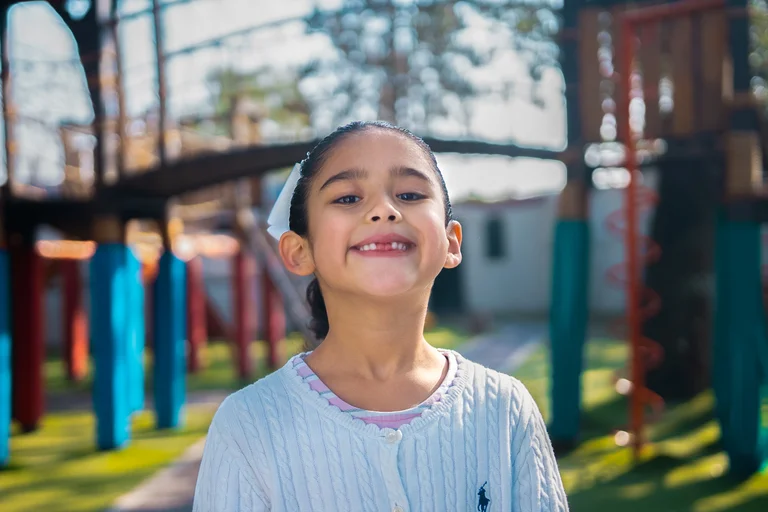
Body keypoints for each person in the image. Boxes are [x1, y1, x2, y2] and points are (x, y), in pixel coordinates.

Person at [192, 121, 568, 511]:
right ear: (299, 251)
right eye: (347, 198)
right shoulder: (248, 424)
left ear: (451, 243)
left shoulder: (505, 408)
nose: (384, 210)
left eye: (409, 193)